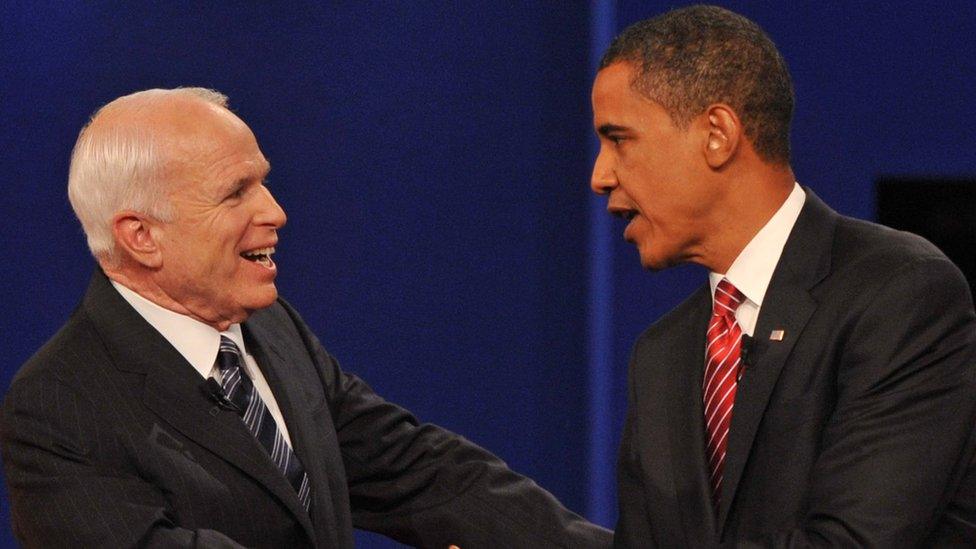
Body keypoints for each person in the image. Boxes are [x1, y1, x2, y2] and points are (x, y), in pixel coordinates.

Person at [0, 88, 612, 548]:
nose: (277, 211)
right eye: (236, 192)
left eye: (263, 183)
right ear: (141, 236)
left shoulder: (269, 329)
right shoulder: (58, 405)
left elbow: (415, 470)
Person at [589, 5, 976, 547]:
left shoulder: (901, 294)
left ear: (717, 134)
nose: (600, 176)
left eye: (619, 139)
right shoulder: (662, 354)